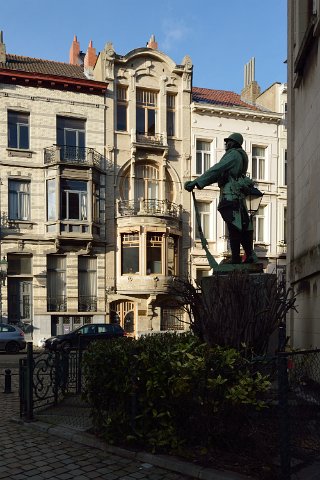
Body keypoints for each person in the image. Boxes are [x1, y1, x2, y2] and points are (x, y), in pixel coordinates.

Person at [185, 133, 258, 264]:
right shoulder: (241, 155)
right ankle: (249, 255)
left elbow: (217, 169)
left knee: (234, 227)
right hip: (238, 197)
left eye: (228, 142)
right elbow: (219, 173)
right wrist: (199, 182)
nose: (226, 144)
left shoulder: (233, 154)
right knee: (243, 226)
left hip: (230, 196)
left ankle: (236, 258)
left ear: (233, 143)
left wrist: (197, 182)